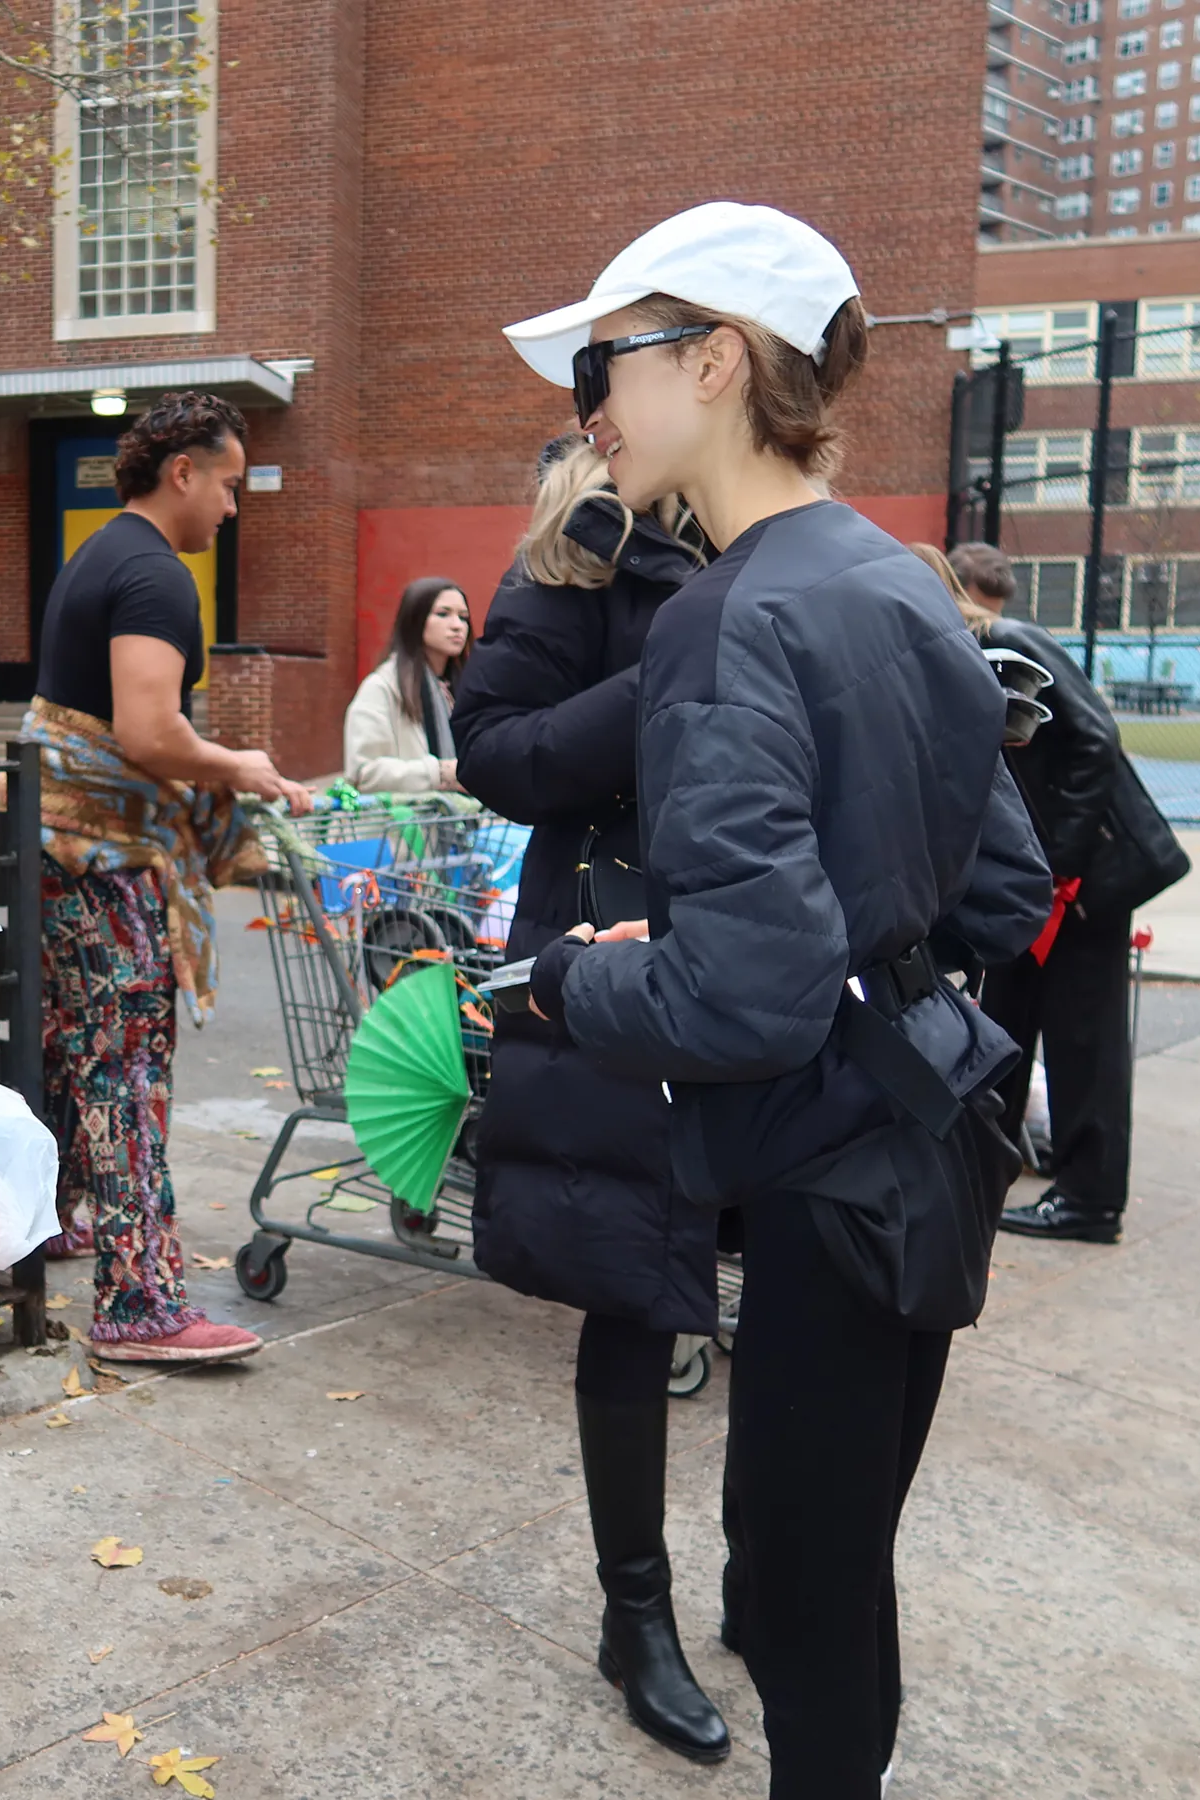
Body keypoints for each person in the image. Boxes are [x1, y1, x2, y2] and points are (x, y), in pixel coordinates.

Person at [500, 202, 1051, 1798]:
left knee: (805, 1611)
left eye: (608, 363)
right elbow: (1005, 894)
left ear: (719, 363)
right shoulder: (897, 581)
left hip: (822, 1168)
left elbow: (742, 997)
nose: (591, 406)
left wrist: (562, 985)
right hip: (928, 1137)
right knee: (836, 1568)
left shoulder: (723, 618)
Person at [455, 439, 729, 1762]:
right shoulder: (574, 565)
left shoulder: (767, 540)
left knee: (791, 1273)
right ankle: (640, 1616)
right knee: (638, 1281)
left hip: (772, 949)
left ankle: (768, 1577)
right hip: (618, 953)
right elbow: (494, 754)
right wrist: (661, 671)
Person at [24, 391, 312, 1365]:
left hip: (62, 846)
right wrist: (240, 765)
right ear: (182, 470)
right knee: (125, 1063)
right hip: (104, 853)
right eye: (229, 484)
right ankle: (139, 1302)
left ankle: (47, 1220)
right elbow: (149, 734)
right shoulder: (155, 574)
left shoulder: (101, 555)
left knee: (75, 1050)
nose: (233, 507)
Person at [940, 543, 1188, 1245]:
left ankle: (1089, 1199)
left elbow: (1095, 741)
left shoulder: (1010, 642)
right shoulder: (979, 652)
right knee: (1007, 1027)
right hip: (1044, 877)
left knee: (1085, 1042)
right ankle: (984, 1171)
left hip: (1078, 883)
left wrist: (1058, 866)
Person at [343, 578, 471, 793]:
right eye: (443, 614)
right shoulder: (382, 688)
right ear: (415, 620)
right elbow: (363, 774)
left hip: (464, 822)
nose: (457, 625)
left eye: (463, 617)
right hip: (407, 824)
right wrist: (440, 773)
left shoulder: (463, 689)